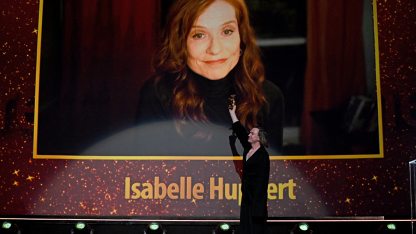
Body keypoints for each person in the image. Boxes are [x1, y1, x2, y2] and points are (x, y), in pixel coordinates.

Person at [136, 0, 284, 156]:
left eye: (227, 31)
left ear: (242, 37)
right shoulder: (157, 95)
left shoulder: (268, 97)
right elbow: (148, 177)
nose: (215, 49)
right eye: (199, 35)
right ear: (180, 43)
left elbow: (271, 176)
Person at [229, 97, 270, 234]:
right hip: (247, 197)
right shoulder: (248, 149)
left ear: (258, 138)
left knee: (255, 230)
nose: (249, 134)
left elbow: (262, 182)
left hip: (256, 202)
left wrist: (258, 207)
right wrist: (232, 113)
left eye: (252, 133)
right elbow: (240, 132)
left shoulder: (262, 156)